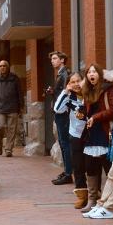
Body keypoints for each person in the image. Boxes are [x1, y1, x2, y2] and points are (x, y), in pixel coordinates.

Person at [79, 64, 113, 213]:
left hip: (105, 132)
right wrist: (82, 114)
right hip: (91, 134)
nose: (91, 74)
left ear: (100, 74)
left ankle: (107, 202)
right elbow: (87, 110)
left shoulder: (109, 90)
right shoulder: (87, 90)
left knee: (108, 168)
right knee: (91, 167)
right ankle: (92, 199)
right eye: (89, 72)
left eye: (94, 71)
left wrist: (95, 117)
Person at [55, 71, 87, 208]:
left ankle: (95, 193)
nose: (75, 84)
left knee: (92, 166)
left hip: (91, 135)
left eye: (77, 81)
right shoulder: (69, 97)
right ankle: (82, 195)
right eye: (72, 82)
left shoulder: (89, 95)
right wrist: (65, 92)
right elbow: (57, 109)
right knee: (78, 166)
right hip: (75, 134)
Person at [48, 51, 73, 185]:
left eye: (55, 58)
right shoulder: (60, 74)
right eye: (52, 59)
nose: (52, 61)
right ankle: (67, 170)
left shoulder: (65, 74)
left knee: (65, 143)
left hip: (63, 113)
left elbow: (66, 93)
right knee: (63, 144)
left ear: (62, 60)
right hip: (59, 112)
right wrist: (53, 91)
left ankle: (69, 173)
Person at [0, 60, 23, 157]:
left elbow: (20, 93)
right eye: (0, 66)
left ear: (8, 67)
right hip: (0, 108)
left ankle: (9, 149)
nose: (2, 68)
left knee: (11, 129)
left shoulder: (14, 78)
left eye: (4, 66)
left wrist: (21, 106)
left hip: (13, 107)